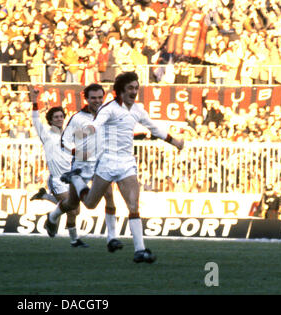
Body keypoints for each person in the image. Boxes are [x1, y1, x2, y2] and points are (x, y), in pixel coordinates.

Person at [50, 72, 184, 263]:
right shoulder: (109, 109)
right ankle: (76, 178)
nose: (134, 91)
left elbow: (154, 128)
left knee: (133, 205)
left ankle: (140, 250)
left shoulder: (137, 110)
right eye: (130, 88)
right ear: (121, 90)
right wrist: (84, 139)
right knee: (89, 203)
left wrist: (175, 142)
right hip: (107, 162)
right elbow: (95, 125)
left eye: (136, 88)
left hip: (126, 163)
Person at [45, 83, 123, 253]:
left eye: (99, 98)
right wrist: (78, 151)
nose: (97, 101)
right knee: (72, 204)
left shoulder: (107, 115)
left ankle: (112, 238)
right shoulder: (78, 118)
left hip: (101, 165)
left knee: (109, 195)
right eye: (93, 98)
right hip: (81, 166)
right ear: (86, 99)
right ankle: (52, 216)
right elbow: (64, 141)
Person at [29, 88, 87, 248]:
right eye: (56, 117)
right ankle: (72, 238)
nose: (60, 119)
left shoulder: (70, 135)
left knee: (75, 210)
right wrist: (34, 100)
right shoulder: (47, 135)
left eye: (61, 116)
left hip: (71, 178)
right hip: (58, 179)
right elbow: (35, 120)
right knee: (72, 209)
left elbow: (77, 154)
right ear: (50, 120)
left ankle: (46, 199)